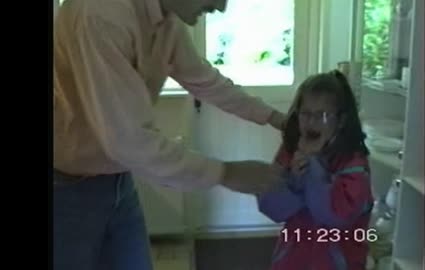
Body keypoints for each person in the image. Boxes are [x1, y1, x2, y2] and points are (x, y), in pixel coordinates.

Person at [53, 0, 286, 269]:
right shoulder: (100, 14)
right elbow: (128, 141)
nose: (221, 7)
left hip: (117, 180)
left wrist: (275, 117)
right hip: (65, 190)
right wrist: (227, 173)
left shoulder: (166, 19)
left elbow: (203, 79)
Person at [257, 70, 374, 270]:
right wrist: (293, 180)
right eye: (306, 114)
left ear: (341, 120)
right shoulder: (291, 151)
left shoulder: (354, 164)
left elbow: (335, 217)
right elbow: (271, 209)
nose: (312, 122)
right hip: (291, 261)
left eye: (323, 115)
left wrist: (313, 169)